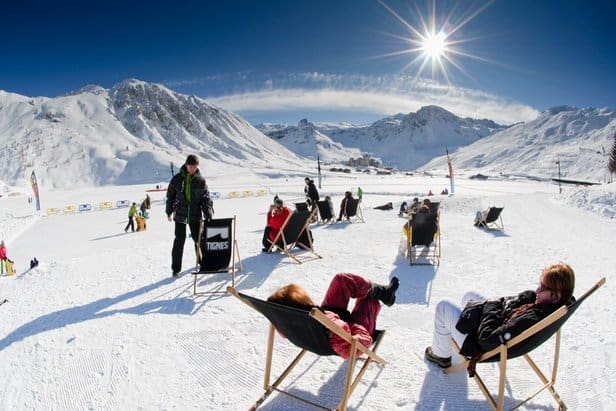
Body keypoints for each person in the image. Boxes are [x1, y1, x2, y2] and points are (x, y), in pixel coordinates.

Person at [424, 262, 575, 369]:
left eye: (542, 288)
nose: (537, 290)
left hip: (481, 345)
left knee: (443, 307)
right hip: (498, 323)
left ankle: (441, 356)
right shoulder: (554, 308)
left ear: (555, 296)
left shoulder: (531, 318)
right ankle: (455, 332)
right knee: (469, 296)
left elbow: (487, 339)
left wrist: (492, 304)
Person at [268, 273, 400, 359]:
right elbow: (356, 345)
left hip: (322, 320)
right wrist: (353, 327)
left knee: (341, 280)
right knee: (370, 299)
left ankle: (383, 292)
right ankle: (383, 294)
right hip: (345, 333)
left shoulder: (282, 320)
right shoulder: (332, 327)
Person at [166, 154, 214, 276]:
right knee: (179, 240)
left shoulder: (200, 180)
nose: (192, 169)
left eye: (195, 166)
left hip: (195, 214)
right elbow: (170, 196)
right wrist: (169, 211)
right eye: (190, 166)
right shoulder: (177, 179)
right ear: (186, 165)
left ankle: (203, 263)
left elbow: (205, 198)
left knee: (199, 240)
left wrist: (207, 212)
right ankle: (175, 269)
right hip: (180, 215)